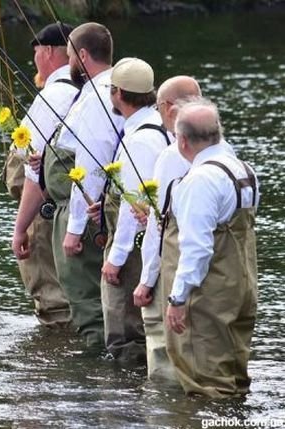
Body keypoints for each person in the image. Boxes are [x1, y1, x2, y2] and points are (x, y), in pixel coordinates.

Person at [163, 99, 259, 397]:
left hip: (208, 294)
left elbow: (197, 248)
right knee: (235, 378)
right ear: (218, 133)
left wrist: (178, 298)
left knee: (206, 385)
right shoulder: (245, 170)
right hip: (241, 286)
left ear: (182, 141)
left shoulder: (200, 180)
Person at [42, 22, 124, 347]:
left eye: (71, 55)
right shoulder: (109, 91)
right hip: (97, 210)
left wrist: (74, 229)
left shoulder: (97, 98)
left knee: (88, 302)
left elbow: (89, 168)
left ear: (83, 55)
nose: (68, 64)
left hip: (87, 215)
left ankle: (98, 384)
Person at [94, 57, 168, 364]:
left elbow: (131, 205)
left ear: (119, 94)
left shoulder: (138, 139)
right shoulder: (160, 127)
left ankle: (124, 405)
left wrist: (116, 258)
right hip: (151, 240)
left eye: (112, 89)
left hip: (135, 248)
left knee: (125, 334)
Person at [132, 75, 200, 381]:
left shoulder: (172, 155)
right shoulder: (222, 148)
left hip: (175, 267)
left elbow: (159, 226)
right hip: (210, 268)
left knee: (162, 351)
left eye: (159, 107)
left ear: (169, 108)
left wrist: (146, 280)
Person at [11, 23, 77, 328]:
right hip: (83, 212)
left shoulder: (52, 96)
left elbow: (33, 171)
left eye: (36, 52)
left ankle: (55, 364)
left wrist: (20, 227)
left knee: (52, 301)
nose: (35, 60)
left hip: (47, 212)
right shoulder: (95, 92)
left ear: (48, 52)